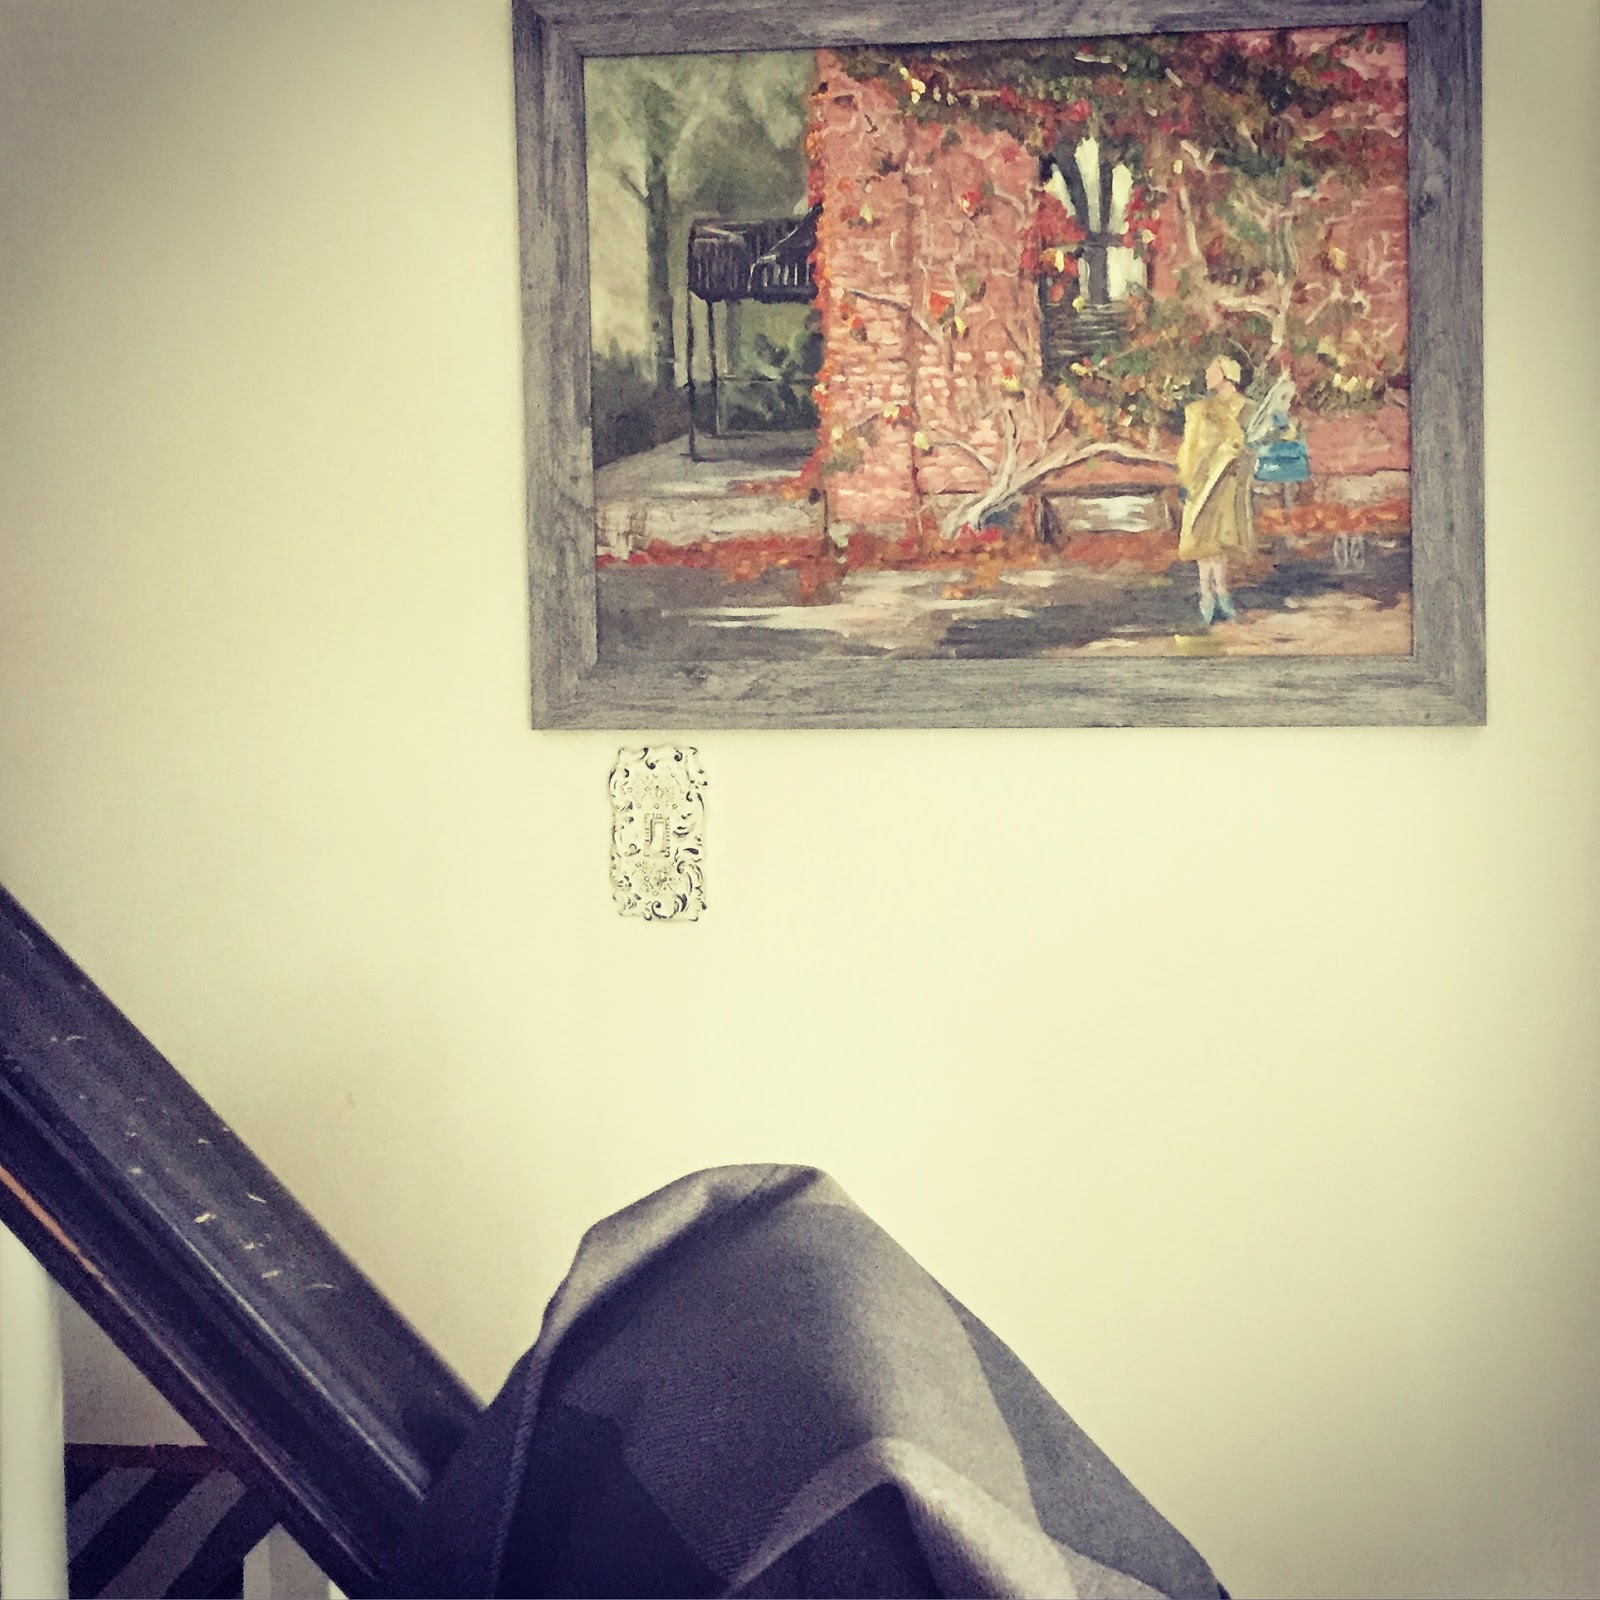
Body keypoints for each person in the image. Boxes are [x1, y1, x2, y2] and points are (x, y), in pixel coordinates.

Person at [1176, 356, 1257, 626]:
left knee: (1220, 539)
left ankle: (1220, 591)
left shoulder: (1249, 409)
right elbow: (1189, 448)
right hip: (1202, 481)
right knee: (1201, 537)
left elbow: (1258, 443)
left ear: (1227, 375)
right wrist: (1186, 479)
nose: (1206, 375)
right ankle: (1207, 593)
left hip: (1229, 483)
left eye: (1212, 371)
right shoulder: (1198, 410)